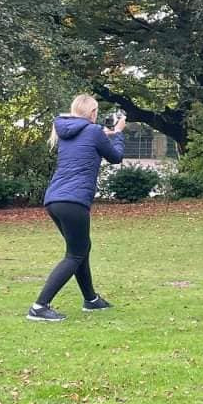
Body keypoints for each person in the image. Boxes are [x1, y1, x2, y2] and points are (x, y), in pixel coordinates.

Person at [26, 94, 126, 322]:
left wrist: (107, 134)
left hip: (55, 200)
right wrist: (119, 133)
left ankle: (91, 299)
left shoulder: (66, 132)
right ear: (93, 112)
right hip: (74, 201)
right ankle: (39, 307)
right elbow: (116, 157)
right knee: (75, 253)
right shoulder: (93, 131)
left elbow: (89, 141)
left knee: (81, 248)